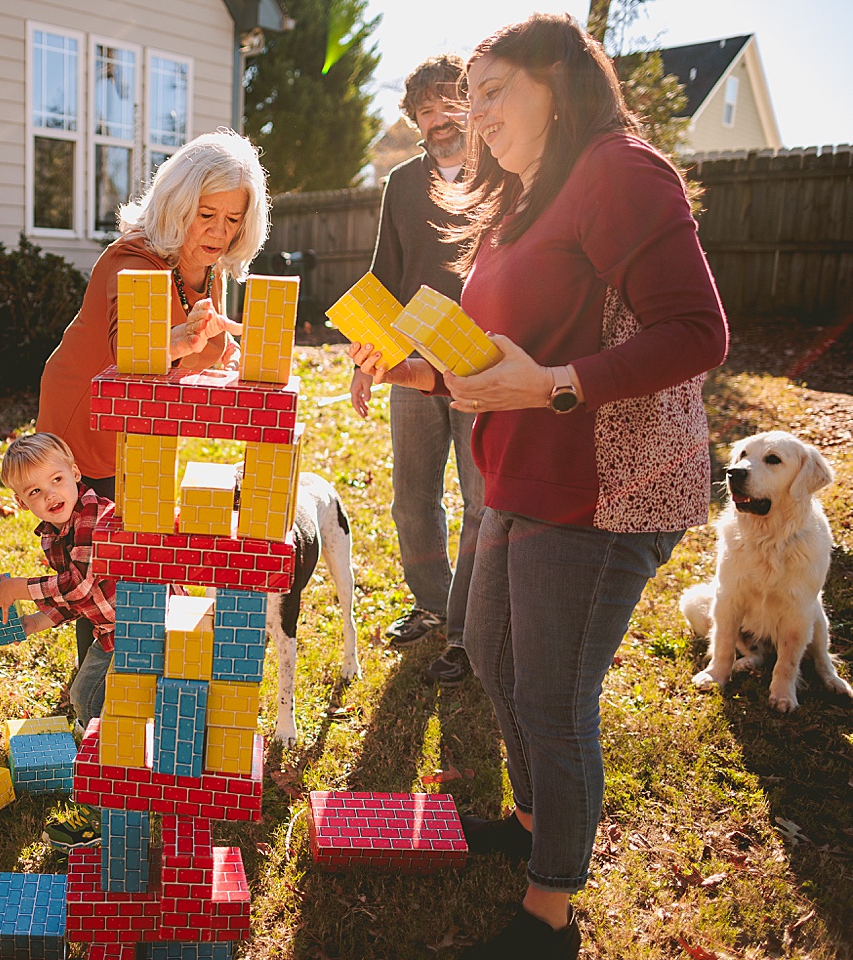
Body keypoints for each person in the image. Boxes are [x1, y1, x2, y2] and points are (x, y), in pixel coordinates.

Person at [350, 14, 726, 958]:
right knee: (486, 645)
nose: (475, 117)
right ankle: (530, 822)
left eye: (493, 93)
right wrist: (413, 370)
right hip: (521, 470)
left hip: (605, 487)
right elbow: (494, 359)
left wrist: (556, 387)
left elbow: (696, 334)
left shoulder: (620, 170)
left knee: (553, 694)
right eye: (467, 101)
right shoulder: (515, 201)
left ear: (559, 82)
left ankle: (549, 912)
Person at [38, 128, 270, 665]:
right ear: (178, 203)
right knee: (96, 548)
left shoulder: (200, 268)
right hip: (84, 419)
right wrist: (185, 342)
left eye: (233, 219)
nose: (218, 232)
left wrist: (217, 349)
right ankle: (98, 680)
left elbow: (194, 344)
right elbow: (135, 350)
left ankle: (127, 660)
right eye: (206, 214)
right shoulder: (134, 262)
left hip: (133, 425)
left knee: (133, 534)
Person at [350, 54, 485, 684]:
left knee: (483, 502)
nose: (437, 120)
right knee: (412, 500)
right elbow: (384, 275)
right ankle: (433, 604)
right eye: (425, 110)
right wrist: (366, 363)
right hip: (408, 365)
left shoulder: (503, 173)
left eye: (447, 104)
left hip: (482, 365)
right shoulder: (401, 183)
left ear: (473, 102)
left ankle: (473, 629)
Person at [0, 433, 118, 727]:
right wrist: (36, 622)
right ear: (22, 502)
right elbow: (76, 599)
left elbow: (79, 585)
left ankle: (109, 745)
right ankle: (101, 740)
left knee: (91, 698)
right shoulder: (53, 536)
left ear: (74, 473)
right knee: (84, 695)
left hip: (144, 625)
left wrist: (18, 588)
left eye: (56, 480)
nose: (50, 495)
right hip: (109, 628)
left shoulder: (97, 515)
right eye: (35, 491)